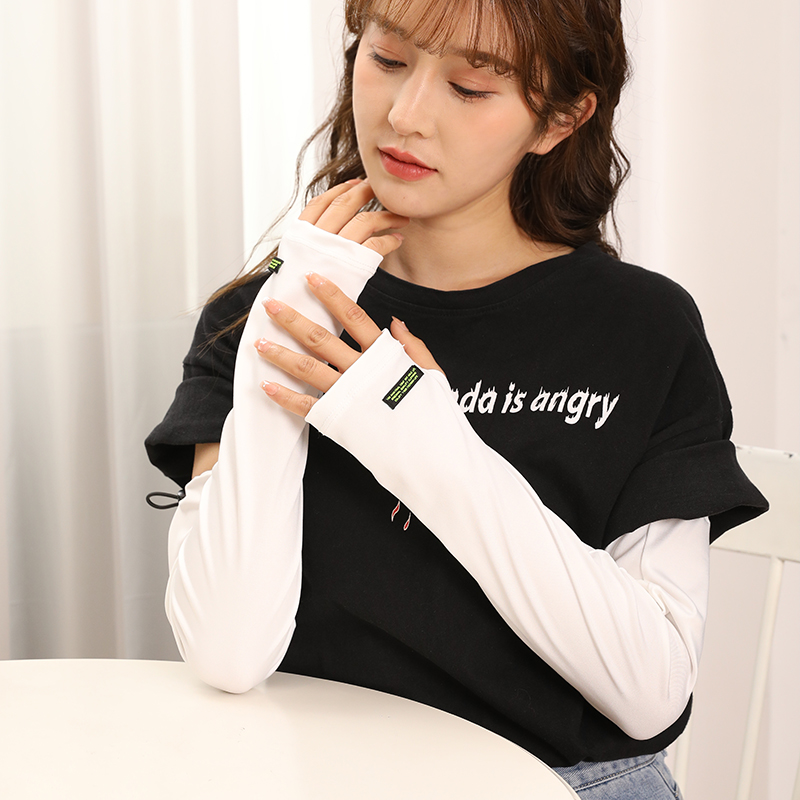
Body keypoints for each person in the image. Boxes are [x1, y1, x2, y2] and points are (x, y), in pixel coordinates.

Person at [146, 0, 767, 796]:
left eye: (471, 87)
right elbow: (228, 653)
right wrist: (284, 325)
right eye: (388, 60)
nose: (406, 115)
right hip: (318, 779)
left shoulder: (643, 330)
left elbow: (651, 689)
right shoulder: (264, 312)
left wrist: (413, 429)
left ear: (560, 119)